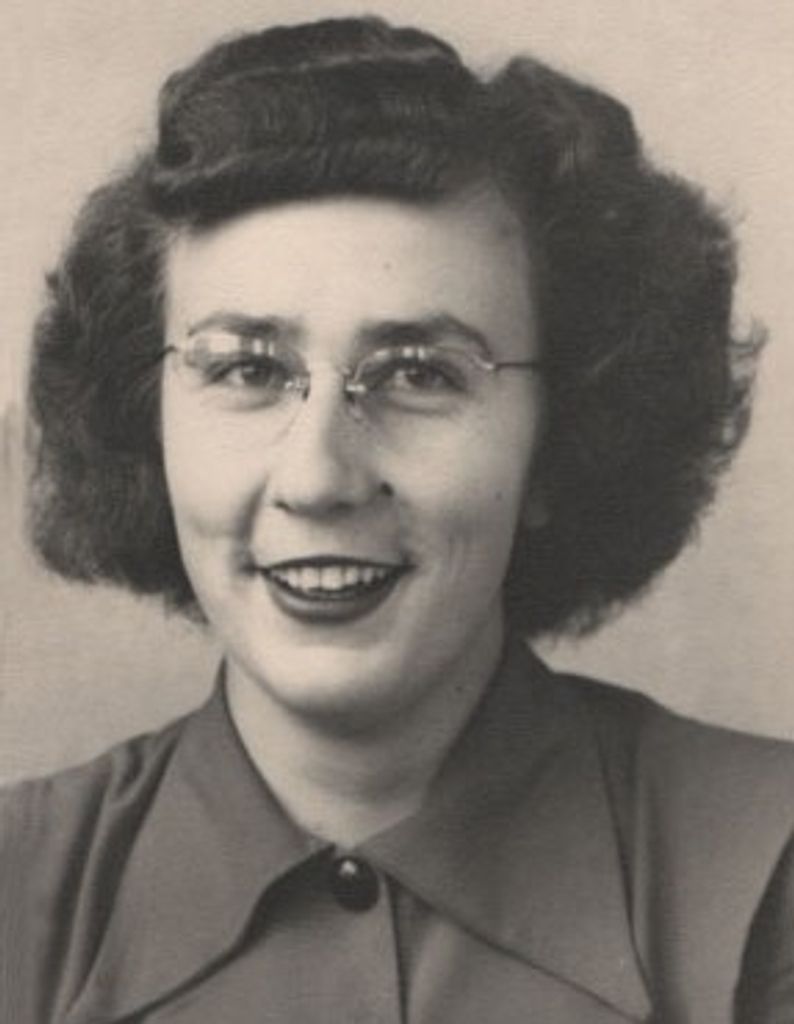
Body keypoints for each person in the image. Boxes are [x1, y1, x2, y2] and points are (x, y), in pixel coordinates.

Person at [2, 15, 793, 1023]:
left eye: (419, 374)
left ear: (561, 435)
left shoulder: (766, 870)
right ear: (146, 420)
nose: (319, 477)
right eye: (246, 369)